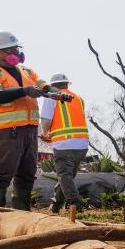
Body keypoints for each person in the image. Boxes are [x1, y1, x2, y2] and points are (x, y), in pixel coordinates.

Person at [0, 31, 50, 210]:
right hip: (8, 131)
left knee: (27, 174)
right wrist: (24, 91)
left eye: (17, 48)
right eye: (10, 49)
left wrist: (51, 90)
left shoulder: (27, 70)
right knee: (2, 173)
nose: (16, 52)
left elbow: (42, 84)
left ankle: (21, 215)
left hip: (30, 130)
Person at [39, 73, 89, 213]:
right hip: (82, 144)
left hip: (64, 144)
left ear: (53, 86)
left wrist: (45, 134)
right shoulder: (79, 98)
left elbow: (46, 119)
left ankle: (76, 205)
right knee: (67, 177)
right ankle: (55, 206)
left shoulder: (52, 96)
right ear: (67, 84)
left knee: (64, 176)